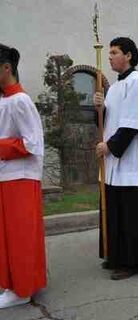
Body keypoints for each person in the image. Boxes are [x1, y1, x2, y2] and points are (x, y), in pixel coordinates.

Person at [94, 37, 138, 280]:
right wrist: (100, 110)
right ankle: (117, 256)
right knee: (116, 212)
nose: (110, 56)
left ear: (129, 55)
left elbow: (133, 125)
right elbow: (109, 123)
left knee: (132, 214)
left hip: (134, 163)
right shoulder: (113, 88)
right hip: (115, 162)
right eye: (109, 52)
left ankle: (133, 261)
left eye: (114, 52)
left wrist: (109, 147)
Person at [0, 44, 46, 308]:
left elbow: (32, 143)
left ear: (7, 68)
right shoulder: (5, 99)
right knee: (9, 236)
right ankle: (17, 282)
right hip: (8, 176)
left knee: (19, 235)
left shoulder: (20, 101)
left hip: (21, 177)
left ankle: (22, 289)